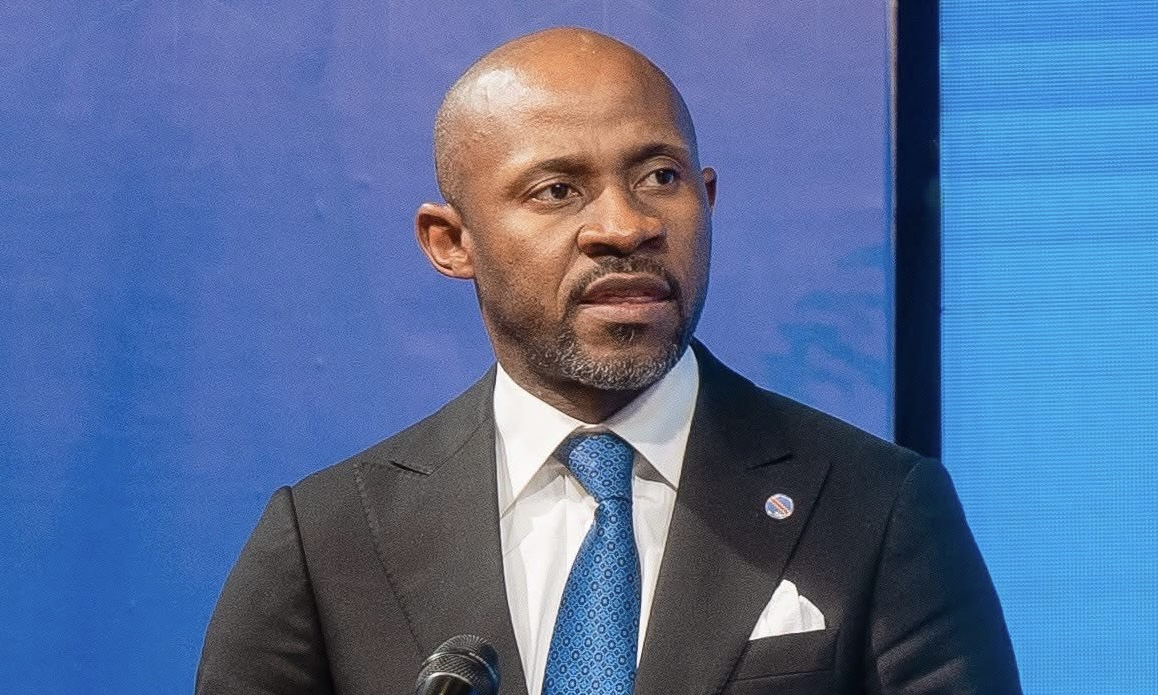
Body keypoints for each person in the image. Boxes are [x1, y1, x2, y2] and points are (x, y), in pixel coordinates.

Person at [196, 27, 1021, 695]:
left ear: (707, 198)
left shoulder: (876, 508)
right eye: (557, 190)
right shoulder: (329, 540)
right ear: (451, 241)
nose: (626, 226)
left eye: (660, 176)